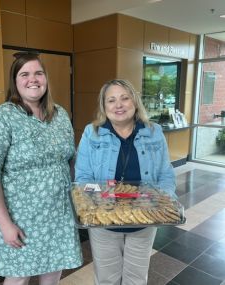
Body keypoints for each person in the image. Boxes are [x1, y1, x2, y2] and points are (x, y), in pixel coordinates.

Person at [0, 52, 83, 285]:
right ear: (15, 82)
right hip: (20, 218)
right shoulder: (0, 118)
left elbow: (70, 159)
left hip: (58, 214)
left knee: (53, 273)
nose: (32, 79)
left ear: (46, 79)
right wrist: (5, 224)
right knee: (18, 278)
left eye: (38, 73)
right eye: (24, 74)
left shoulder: (60, 115)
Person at [75, 79, 176, 285]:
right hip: (104, 219)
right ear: (104, 106)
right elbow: (83, 177)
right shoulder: (91, 133)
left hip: (145, 218)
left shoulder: (154, 132)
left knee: (136, 278)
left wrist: (165, 204)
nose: (118, 105)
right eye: (111, 100)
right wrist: (96, 208)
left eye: (124, 98)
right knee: (106, 279)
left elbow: (166, 173)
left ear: (135, 101)